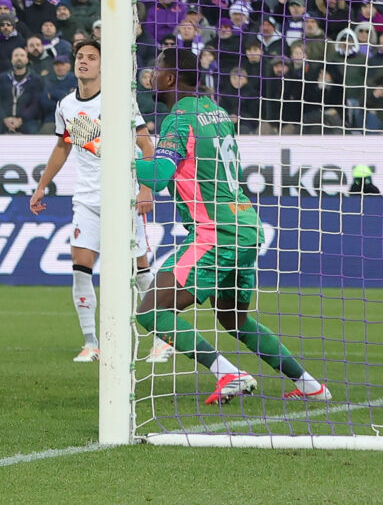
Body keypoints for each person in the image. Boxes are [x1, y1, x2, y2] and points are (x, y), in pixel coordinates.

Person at [73, 46, 329, 403]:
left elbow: (159, 175)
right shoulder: (218, 113)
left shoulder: (179, 119)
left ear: (171, 77)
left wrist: (109, 151)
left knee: (150, 311)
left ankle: (230, 374)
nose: (152, 77)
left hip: (215, 233)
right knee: (234, 319)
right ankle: (310, 385)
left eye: (157, 70)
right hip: (246, 225)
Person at [29, 39, 168, 362]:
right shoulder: (66, 106)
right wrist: (42, 186)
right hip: (87, 199)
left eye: (92, 57)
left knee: (140, 269)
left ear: (103, 65)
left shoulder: (120, 100)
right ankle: (91, 343)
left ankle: (164, 339)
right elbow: (63, 147)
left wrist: (146, 189)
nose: (84, 62)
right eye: (81, 57)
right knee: (80, 269)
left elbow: (146, 146)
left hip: (123, 198)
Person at [0, 47, 43, 134]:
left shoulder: (35, 79)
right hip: (4, 119)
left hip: (26, 120)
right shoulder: (3, 77)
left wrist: (21, 119)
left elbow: (36, 103)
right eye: (16, 55)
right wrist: (4, 118)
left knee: (33, 131)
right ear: (12, 60)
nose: (19, 58)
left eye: (22, 55)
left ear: (27, 59)